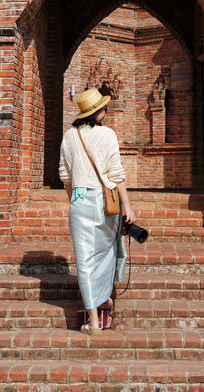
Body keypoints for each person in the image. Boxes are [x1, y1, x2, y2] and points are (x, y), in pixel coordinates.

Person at [59, 87, 136, 332]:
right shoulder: (107, 135)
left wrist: (74, 201)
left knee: (85, 261)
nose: (106, 110)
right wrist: (129, 207)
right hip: (105, 202)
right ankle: (102, 304)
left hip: (79, 202)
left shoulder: (69, 136)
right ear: (97, 112)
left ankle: (94, 316)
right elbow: (117, 174)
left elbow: (65, 175)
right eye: (104, 107)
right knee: (106, 253)